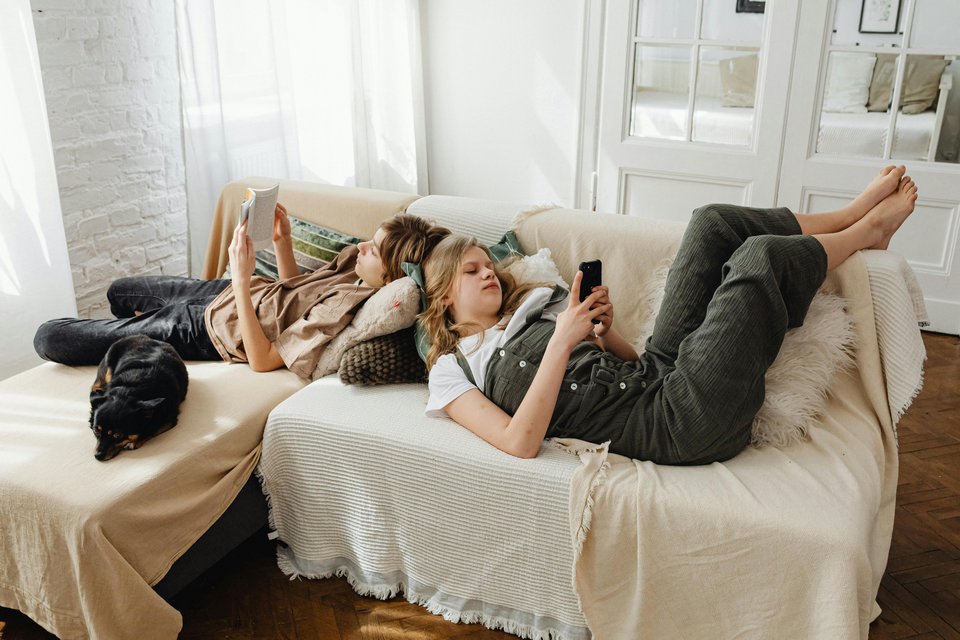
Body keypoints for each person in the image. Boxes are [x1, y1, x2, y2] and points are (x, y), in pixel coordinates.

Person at [419, 166, 918, 465]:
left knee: (710, 223)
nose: (489, 274)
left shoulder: (530, 308)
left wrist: (604, 334)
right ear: (443, 297)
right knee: (758, 258)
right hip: (678, 421)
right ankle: (864, 235)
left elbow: (628, 361)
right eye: (471, 271)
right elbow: (518, 441)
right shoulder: (451, 370)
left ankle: (845, 216)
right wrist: (561, 341)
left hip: (654, 373)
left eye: (488, 264)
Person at [34, 205, 449, 380]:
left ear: (393, 272)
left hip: (210, 330)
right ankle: (133, 330)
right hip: (228, 292)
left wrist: (239, 276)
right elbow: (293, 293)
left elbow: (264, 360)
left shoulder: (348, 311)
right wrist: (282, 243)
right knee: (119, 290)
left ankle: (138, 335)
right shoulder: (353, 267)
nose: (362, 247)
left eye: (373, 250)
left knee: (50, 337)